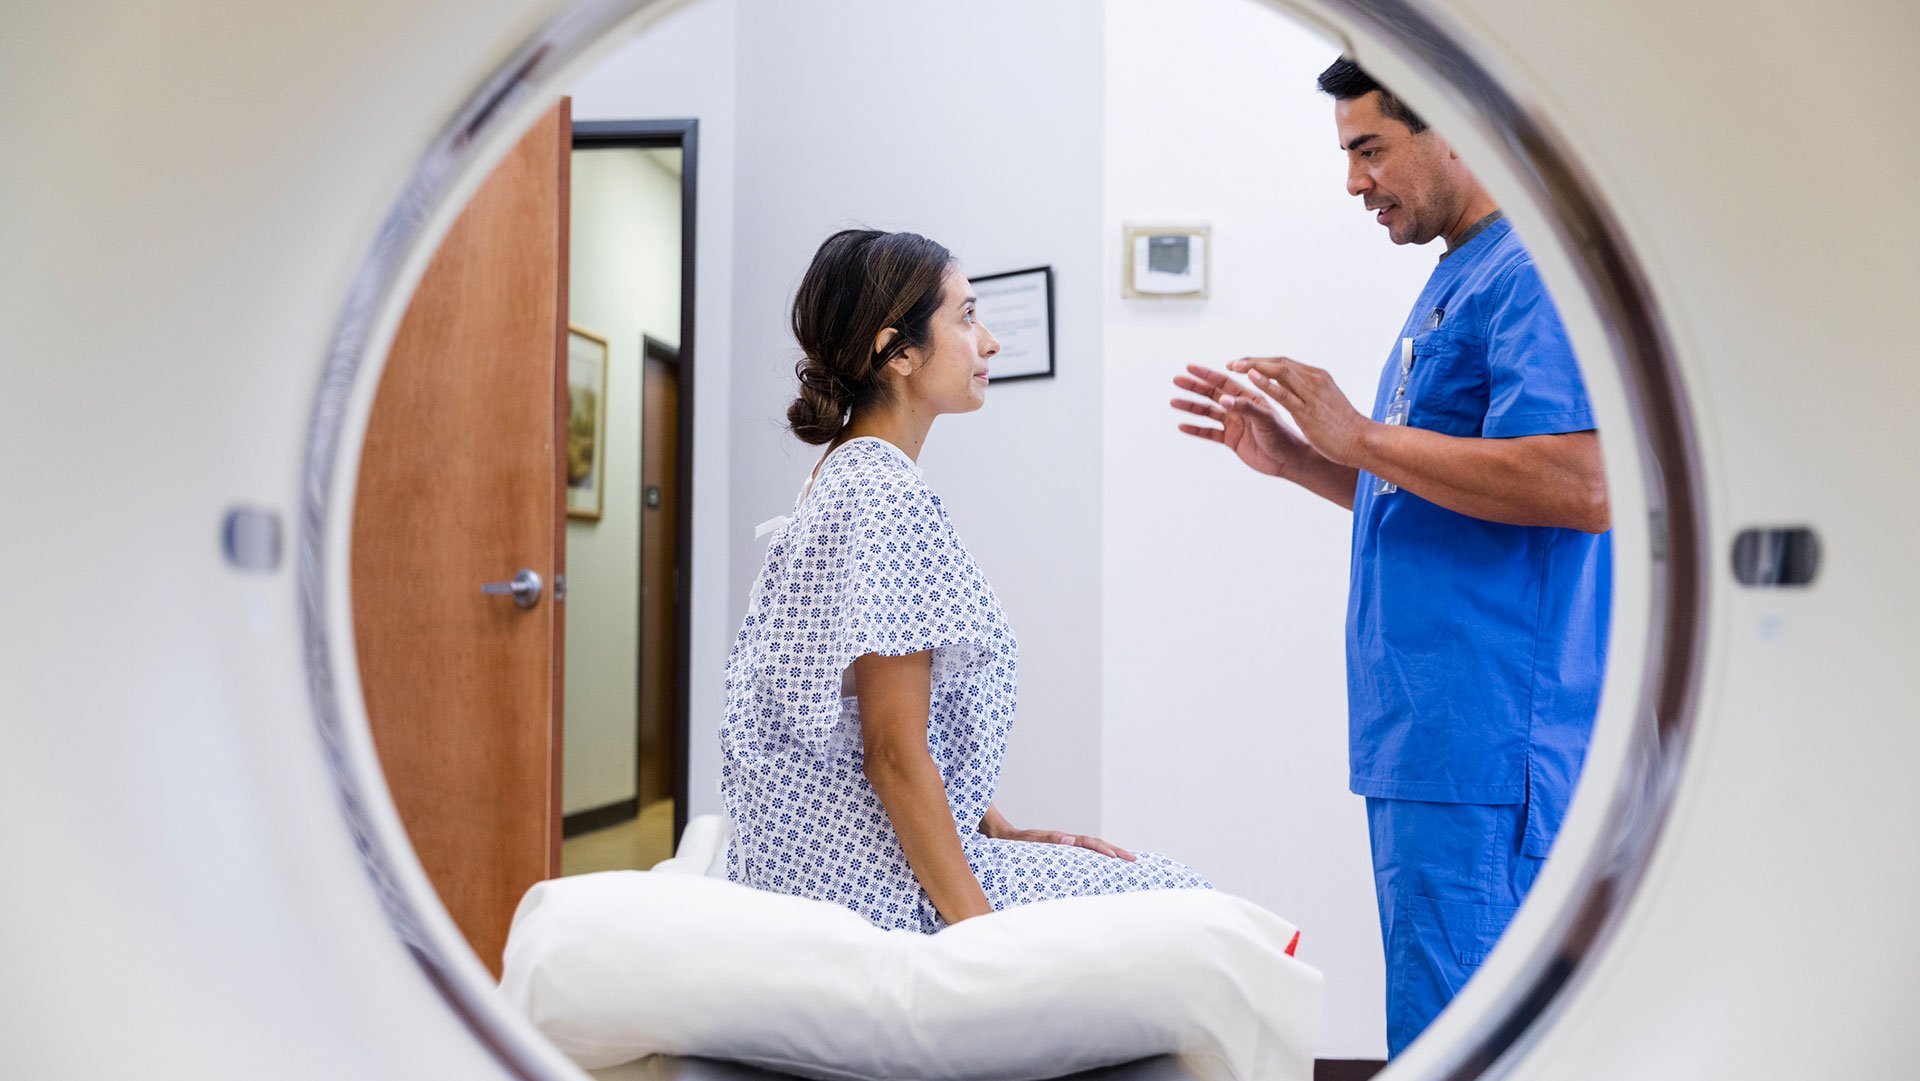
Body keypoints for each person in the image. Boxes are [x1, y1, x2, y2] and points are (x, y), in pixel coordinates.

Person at [1171, 58, 1611, 1055]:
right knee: (1436, 1027)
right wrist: (1302, 461)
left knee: (1473, 1041)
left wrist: (1361, 437)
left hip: (1490, 742)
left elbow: (1585, 485)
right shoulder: (1458, 276)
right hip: (1426, 738)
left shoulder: (1531, 272)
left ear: (1455, 126)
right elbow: (1444, 498)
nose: (1355, 182)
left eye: (1370, 149)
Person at [723, 228, 1210, 933]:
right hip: (863, 876)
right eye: (966, 316)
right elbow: (891, 753)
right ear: (900, 351)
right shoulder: (885, 494)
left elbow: (870, 719)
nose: (988, 342)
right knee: (1180, 900)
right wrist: (988, 941)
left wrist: (1000, 834)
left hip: (822, 860)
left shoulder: (841, 476)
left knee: (1141, 879)